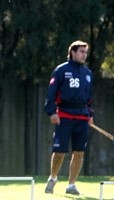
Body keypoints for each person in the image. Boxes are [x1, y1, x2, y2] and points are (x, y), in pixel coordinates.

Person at [44, 40, 93, 195]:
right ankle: (52, 178)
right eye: (81, 52)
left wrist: (90, 114)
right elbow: (51, 94)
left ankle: (71, 185)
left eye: (85, 52)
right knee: (60, 152)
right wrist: (52, 112)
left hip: (82, 118)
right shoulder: (61, 70)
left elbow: (89, 98)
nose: (84, 55)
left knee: (79, 152)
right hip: (64, 116)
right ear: (73, 52)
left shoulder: (88, 73)